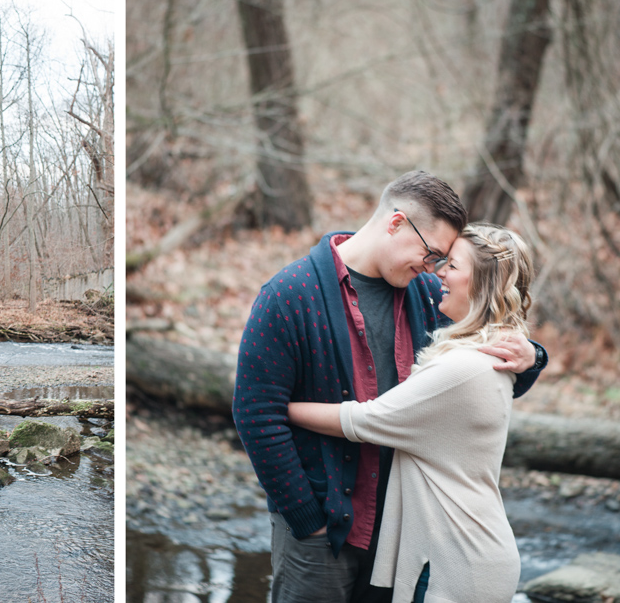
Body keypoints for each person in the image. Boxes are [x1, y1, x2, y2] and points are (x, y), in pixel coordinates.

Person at [232, 171, 548, 603]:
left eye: (442, 260)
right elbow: (255, 413)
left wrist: (533, 357)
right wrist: (306, 517)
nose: (431, 266)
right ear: (396, 223)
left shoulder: (424, 295)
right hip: (318, 535)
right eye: (431, 252)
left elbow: (480, 375)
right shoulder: (290, 294)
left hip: (398, 539)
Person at [287, 224, 532, 603]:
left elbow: (362, 420)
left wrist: (278, 409)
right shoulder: (492, 356)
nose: (439, 274)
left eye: (452, 265)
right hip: (468, 554)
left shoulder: (462, 370)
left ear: (483, 284)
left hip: (452, 562)